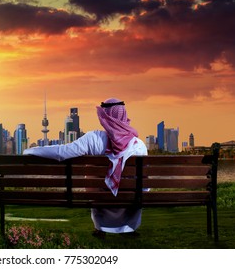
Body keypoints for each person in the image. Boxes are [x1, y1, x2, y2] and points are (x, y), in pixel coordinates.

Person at [23, 98, 147, 237]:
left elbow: (62, 153)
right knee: (134, 185)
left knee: (93, 177)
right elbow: (145, 184)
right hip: (129, 199)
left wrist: (31, 151)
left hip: (99, 197)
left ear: (104, 116)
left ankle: (100, 227)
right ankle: (128, 228)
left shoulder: (93, 138)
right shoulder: (139, 145)